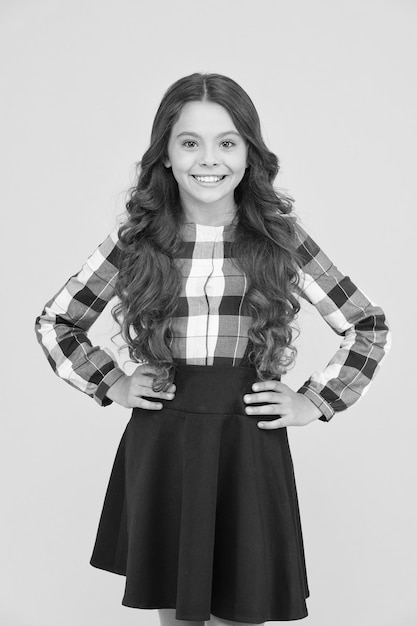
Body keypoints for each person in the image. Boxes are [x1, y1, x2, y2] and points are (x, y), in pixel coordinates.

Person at [34, 72, 391, 625]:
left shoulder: (278, 240)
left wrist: (313, 401)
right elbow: (58, 321)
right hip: (165, 441)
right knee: (177, 614)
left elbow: (366, 324)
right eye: (189, 142)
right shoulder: (138, 241)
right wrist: (114, 382)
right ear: (167, 156)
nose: (209, 159)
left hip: (245, 441)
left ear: (249, 154)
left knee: (240, 609)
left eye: (227, 142)